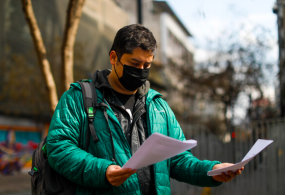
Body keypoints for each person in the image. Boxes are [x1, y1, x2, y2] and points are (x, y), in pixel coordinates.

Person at [46, 24, 243, 195]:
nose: (141, 71)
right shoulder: (78, 98)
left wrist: (213, 170)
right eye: (134, 63)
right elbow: (59, 148)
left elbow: (177, 160)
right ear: (114, 57)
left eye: (146, 65)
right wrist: (102, 171)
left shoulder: (159, 106)